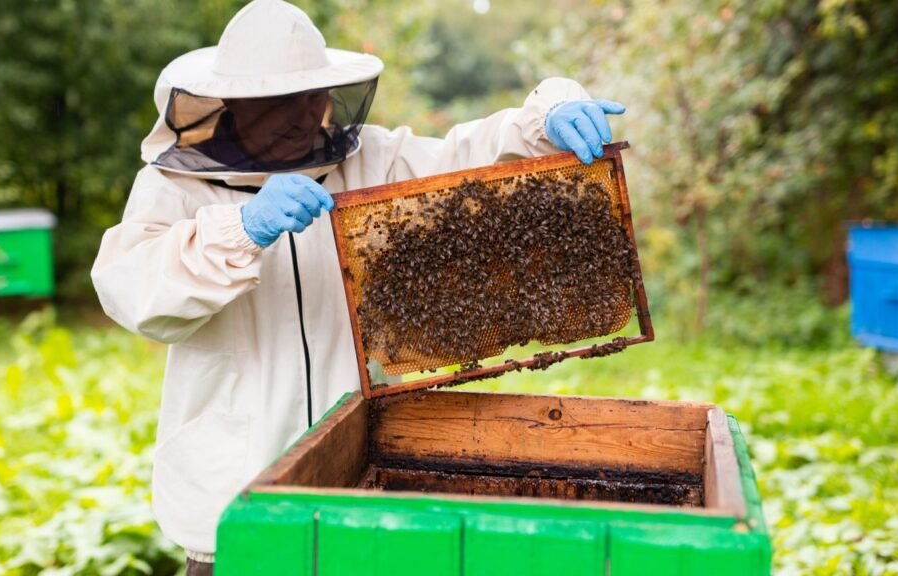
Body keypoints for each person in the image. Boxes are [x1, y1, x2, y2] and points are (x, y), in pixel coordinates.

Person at [91, 0, 624, 573]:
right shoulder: (173, 186)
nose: (305, 114)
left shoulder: (373, 159)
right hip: (233, 505)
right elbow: (134, 292)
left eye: (313, 96)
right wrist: (238, 231)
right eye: (281, 101)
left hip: (361, 488)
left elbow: (467, 157)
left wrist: (547, 114)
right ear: (237, 103)